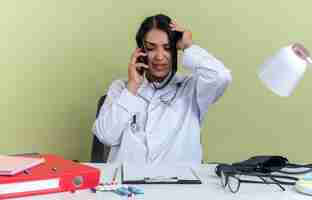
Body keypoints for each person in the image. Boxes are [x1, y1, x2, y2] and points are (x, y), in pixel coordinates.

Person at [92, 14, 232, 165]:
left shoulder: (191, 88)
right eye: (151, 48)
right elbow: (105, 136)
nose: (159, 56)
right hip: (128, 184)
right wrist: (132, 87)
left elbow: (221, 76)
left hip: (177, 185)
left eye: (167, 48)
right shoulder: (121, 88)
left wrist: (188, 46)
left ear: (175, 50)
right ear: (141, 51)